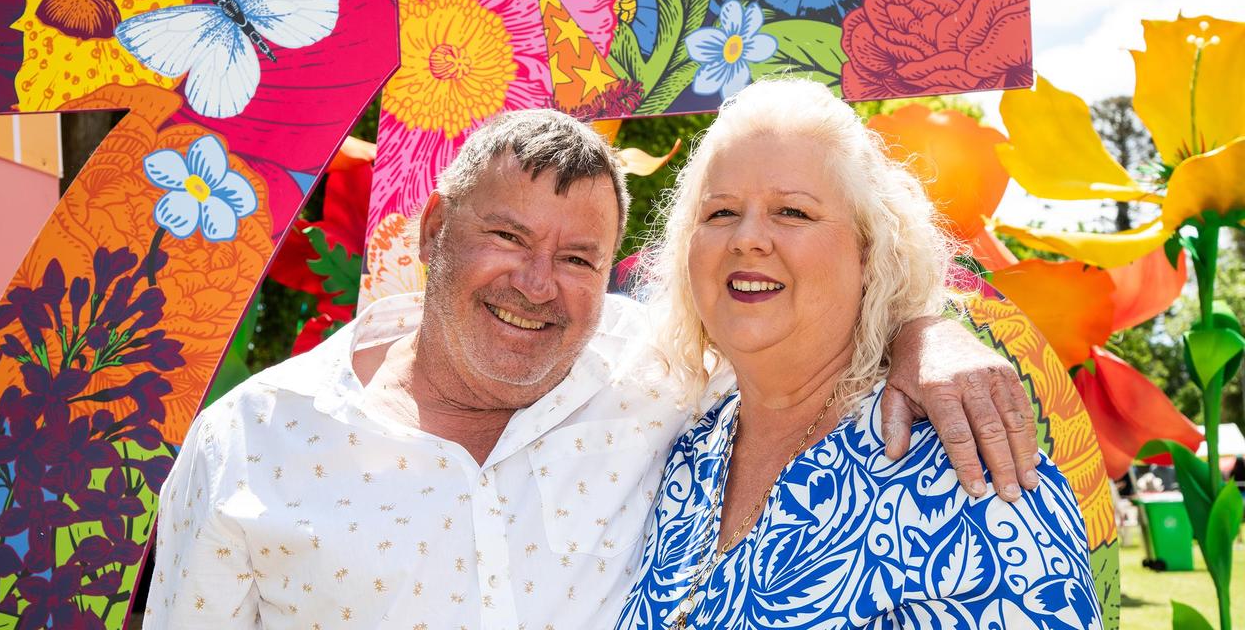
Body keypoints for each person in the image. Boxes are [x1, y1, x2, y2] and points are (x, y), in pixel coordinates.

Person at [143, 108, 1040, 628]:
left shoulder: (650, 373)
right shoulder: (252, 444)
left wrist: (927, 330)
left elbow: (802, 315)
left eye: (578, 258)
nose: (538, 286)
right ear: (432, 237)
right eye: (506, 236)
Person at [615, 78, 1101, 629]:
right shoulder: (684, 453)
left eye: (793, 212)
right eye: (720, 212)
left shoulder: (970, 473)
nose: (746, 238)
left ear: (871, 255)